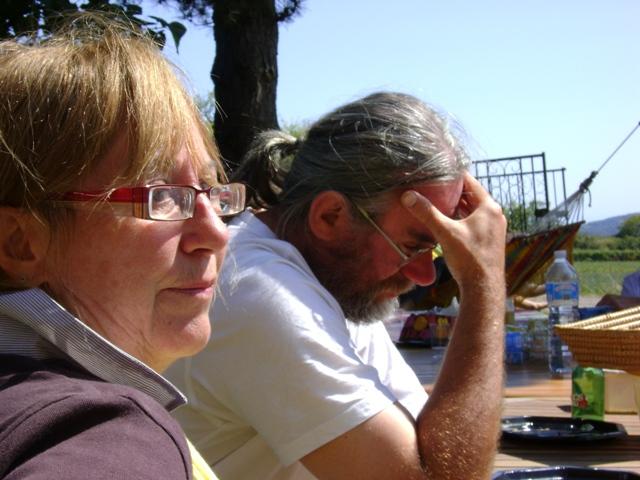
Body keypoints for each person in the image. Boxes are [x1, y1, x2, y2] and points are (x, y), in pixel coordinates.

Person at [167, 92, 507, 479]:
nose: (425, 275)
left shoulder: (335, 283)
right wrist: (483, 283)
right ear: (330, 216)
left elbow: (432, 446)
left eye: (436, 250)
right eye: (413, 247)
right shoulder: (260, 292)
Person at [0, 13, 246, 480]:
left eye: (213, 191)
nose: (216, 233)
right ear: (20, 242)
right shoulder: (100, 433)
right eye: (161, 196)